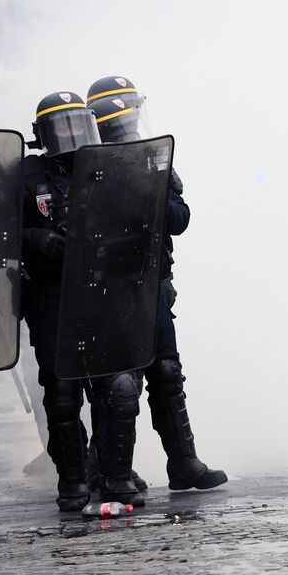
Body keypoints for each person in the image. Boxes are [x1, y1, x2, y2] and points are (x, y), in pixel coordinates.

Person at [86, 86, 227, 491]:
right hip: (109, 291)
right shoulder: (88, 169)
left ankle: (183, 463)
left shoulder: (152, 164)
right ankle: (110, 470)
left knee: (166, 372)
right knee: (119, 383)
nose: (130, 129)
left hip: (152, 287)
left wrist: (150, 187)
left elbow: (179, 219)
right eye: (122, 123)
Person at [21, 91, 144, 509]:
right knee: (62, 394)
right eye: (62, 127)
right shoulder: (24, 176)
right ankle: (72, 482)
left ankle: (115, 477)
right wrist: (36, 240)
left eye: (78, 124)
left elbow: (140, 223)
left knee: (118, 388)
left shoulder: (109, 167)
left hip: (102, 295)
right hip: (51, 298)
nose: (72, 136)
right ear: (42, 135)